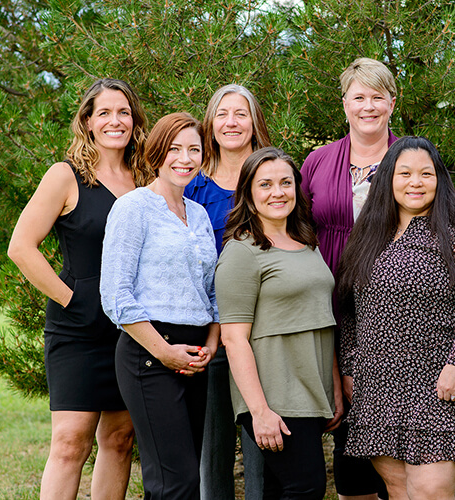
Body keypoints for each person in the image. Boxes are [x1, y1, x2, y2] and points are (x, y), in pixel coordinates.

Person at [7, 78, 151, 500]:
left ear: (134, 119)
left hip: (132, 327)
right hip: (78, 329)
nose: (115, 121)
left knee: (120, 438)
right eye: (104, 113)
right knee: (71, 441)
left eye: (123, 112)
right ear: (87, 122)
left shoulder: (145, 177)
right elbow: (21, 247)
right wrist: (73, 298)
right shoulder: (65, 176)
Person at [338, 136, 455, 500]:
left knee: (430, 491)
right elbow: (349, 307)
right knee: (398, 489)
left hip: (437, 382)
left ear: (439, 179)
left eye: (426, 174)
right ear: (388, 180)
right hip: (379, 384)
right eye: (405, 173)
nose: (416, 182)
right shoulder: (369, 235)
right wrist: (350, 366)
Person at [100, 112, 220, 500]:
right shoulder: (133, 207)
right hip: (149, 353)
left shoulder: (198, 214)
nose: (185, 158)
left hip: (196, 353)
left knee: (182, 480)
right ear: (156, 154)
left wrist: (213, 341)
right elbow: (115, 295)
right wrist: (165, 352)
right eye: (175, 149)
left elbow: (210, 290)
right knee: (175, 480)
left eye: (194, 150)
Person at [300, 57, 397, 500]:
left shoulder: (411, 159)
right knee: (348, 422)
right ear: (344, 105)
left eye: (378, 96)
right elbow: (294, 230)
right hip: (331, 304)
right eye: (359, 97)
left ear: (392, 103)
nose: (368, 106)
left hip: (395, 312)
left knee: (396, 424)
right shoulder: (317, 162)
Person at [216, 147, 337, 499]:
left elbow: (321, 319)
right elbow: (234, 339)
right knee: (306, 487)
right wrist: (259, 411)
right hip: (275, 395)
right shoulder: (242, 251)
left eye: (286, 182)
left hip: (311, 390)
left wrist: (331, 393)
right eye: (265, 184)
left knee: (279, 490)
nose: (278, 192)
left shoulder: (307, 242)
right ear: (249, 196)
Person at [184, 84, 272, 500]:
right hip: (211, 335)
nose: (232, 122)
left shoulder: (275, 177)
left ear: (255, 122)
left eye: (241, 113)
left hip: (267, 333)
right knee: (212, 452)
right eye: (222, 114)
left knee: (264, 446)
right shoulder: (192, 188)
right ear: (210, 124)